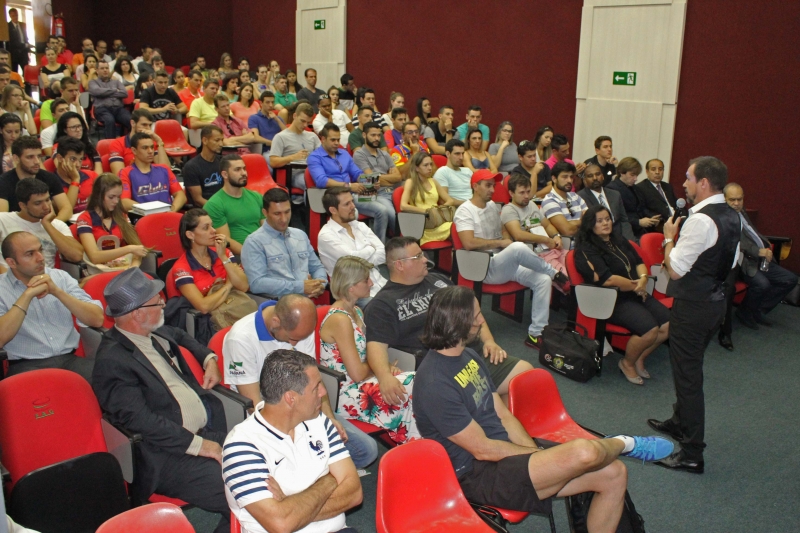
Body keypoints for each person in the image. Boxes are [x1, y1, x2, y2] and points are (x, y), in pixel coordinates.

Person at [413, 285, 673, 528]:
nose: (482, 321)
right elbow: (483, 450)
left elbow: (502, 414)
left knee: (614, 473)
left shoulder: (468, 355)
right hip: (477, 474)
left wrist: (533, 450)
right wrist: (535, 457)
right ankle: (625, 443)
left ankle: (617, 448)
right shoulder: (435, 383)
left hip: (506, 453)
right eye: (476, 316)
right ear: (458, 323)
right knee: (585, 452)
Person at [93, 268, 230, 533]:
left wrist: (208, 358)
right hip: (167, 454)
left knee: (265, 458)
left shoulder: (152, 332)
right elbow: (142, 422)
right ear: (137, 313)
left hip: (203, 434)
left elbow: (180, 335)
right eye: (157, 302)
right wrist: (203, 446)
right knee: (243, 489)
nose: (164, 305)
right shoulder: (112, 361)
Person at [648, 156, 741, 474]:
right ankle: (679, 422)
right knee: (687, 368)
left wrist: (668, 237)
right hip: (715, 303)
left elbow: (674, 270)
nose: (683, 182)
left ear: (703, 183)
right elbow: (731, 262)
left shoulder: (700, 221)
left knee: (688, 378)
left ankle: (691, 453)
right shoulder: (732, 214)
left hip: (694, 307)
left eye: (688, 177)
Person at [363, 237, 532, 403]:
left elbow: (472, 312)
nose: (425, 259)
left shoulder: (438, 280)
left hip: (473, 352)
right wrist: (384, 376)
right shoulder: (383, 304)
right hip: (443, 369)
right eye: (418, 257)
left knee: (525, 376)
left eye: (422, 254)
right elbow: (376, 346)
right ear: (399, 265)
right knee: (501, 392)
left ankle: (494, 418)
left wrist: (489, 341)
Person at [222, 294, 378, 470]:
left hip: (305, 407)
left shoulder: (301, 330)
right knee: (301, 459)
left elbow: (314, 381)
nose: (295, 344)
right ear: (275, 322)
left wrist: (328, 418)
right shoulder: (240, 339)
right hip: (271, 418)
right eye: (292, 338)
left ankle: (315, 472)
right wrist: (297, 431)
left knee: (366, 450)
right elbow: (254, 404)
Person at [222, 349, 363, 533]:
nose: (323, 392)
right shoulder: (242, 446)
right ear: (291, 398)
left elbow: (354, 493)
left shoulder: (320, 421)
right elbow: (282, 524)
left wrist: (291, 505)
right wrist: (329, 481)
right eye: (316, 387)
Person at [454, 170, 569, 348]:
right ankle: (554, 272)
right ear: (475, 186)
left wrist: (505, 241)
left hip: (500, 262)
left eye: (493, 185)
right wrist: (502, 243)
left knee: (542, 280)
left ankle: (536, 333)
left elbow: (502, 231)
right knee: (518, 247)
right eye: (488, 185)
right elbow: (468, 243)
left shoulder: (492, 206)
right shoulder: (465, 210)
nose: (493, 190)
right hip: (482, 265)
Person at [321, 255, 420, 445]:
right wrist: (381, 368)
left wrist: (384, 368)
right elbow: (357, 373)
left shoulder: (357, 312)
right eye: (366, 280)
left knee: (414, 385)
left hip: (364, 382)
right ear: (351, 286)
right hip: (347, 392)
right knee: (413, 383)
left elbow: (367, 355)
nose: (371, 283)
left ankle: (412, 445)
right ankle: (412, 444)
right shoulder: (340, 320)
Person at [575, 205, 670, 383]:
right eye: (599, 221)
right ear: (590, 225)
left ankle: (640, 357)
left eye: (607, 219)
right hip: (611, 298)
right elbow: (607, 279)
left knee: (668, 325)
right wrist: (637, 286)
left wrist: (643, 279)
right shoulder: (586, 248)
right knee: (650, 330)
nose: (605, 223)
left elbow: (639, 262)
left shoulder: (617, 239)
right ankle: (627, 363)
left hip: (636, 291)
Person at [0, 230, 102, 379]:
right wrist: (27, 295)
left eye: (40, 250)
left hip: (70, 360)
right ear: (11, 262)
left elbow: (97, 319)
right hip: (26, 366)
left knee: (111, 381)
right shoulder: (2, 288)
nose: (40, 258)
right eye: (30, 254)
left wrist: (57, 291)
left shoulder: (60, 277)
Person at [724, 183, 797, 330]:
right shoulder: (723, 218)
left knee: (790, 279)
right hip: (743, 261)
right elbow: (736, 243)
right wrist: (758, 251)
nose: (737, 203)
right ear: (724, 199)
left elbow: (752, 232)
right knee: (762, 284)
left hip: (760, 258)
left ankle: (754, 310)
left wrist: (764, 243)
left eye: (739, 199)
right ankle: (747, 312)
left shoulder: (741, 211)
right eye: (732, 200)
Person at [308, 123, 395, 242]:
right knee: (379, 210)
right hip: (334, 197)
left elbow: (356, 173)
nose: (336, 143)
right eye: (333, 140)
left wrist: (370, 181)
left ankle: (379, 246)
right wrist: (349, 186)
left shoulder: (343, 153)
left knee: (385, 208)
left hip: (353, 194)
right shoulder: (315, 157)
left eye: (338, 139)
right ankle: (372, 245)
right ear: (323, 139)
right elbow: (321, 181)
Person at [241, 187, 328, 298]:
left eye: (287, 212)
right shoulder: (254, 242)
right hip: (277, 304)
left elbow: (317, 267)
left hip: (305, 301)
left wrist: (320, 284)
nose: (284, 219)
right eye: (277, 214)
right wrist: (300, 287)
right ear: (265, 213)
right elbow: (256, 283)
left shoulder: (300, 235)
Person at [173, 208, 250, 318]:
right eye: (206, 228)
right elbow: (203, 307)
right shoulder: (181, 268)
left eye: (212, 226)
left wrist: (222, 257)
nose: (213, 230)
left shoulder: (224, 252)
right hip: (210, 320)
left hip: (237, 308)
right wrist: (228, 285)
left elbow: (243, 286)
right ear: (190, 235)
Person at [318, 188, 387, 307]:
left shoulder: (360, 226)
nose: (353, 206)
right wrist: (371, 249)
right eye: (347, 204)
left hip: (380, 283)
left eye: (352, 201)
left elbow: (383, 255)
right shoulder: (326, 236)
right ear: (333, 210)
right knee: (387, 310)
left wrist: (361, 257)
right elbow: (352, 261)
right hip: (354, 295)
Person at [0, 179, 83, 272]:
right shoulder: (2, 220)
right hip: (10, 277)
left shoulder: (57, 225)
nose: (46, 207)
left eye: (47, 200)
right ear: (23, 205)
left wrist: (47, 224)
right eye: (38, 203)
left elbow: (77, 256)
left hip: (47, 277)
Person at [76, 173, 148, 271]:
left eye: (118, 197)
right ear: (98, 196)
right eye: (111, 197)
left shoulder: (121, 216)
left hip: (124, 270)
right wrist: (129, 249)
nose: (116, 201)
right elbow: (94, 257)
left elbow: (137, 248)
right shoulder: (85, 218)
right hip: (98, 272)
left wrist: (134, 267)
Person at [501, 172, 567, 275]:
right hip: (533, 255)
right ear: (511, 193)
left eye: (528, 192)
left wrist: (556, 236)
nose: (527, 196)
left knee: (576, 263)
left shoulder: (531, 204)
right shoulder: (509, 210)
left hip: (550, 250)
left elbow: (547, 225)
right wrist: (546, 240)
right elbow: (518, 235)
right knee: (566, 275)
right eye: (522, 193)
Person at [0, 136, 72, 221]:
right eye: (30, 157)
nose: (37, 161)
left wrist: (52, 225)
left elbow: (66, 208)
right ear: (16, 158)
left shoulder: (49, 177)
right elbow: (2, 218)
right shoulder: (3, 182)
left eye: (39, 156)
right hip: (16, 227)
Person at [204, 154, 265, 255]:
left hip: (262, 250)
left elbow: (267, 229)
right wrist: (251, 255)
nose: (243, 173)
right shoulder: (214, 204)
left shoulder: (257, 197)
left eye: (244, 169)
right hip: (238, 256)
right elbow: (225, 240)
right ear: (225, 175)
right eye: (237, 170)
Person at [119, 132, 186, 212]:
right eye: (145, 148)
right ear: (134, 150)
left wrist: (172, 210)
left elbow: (181, 195)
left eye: (152, 147)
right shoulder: (125, 173)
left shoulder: (164, 169)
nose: (150, 151)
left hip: (167, 215)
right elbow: (124, 201)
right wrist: (149, 212)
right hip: (143, 217)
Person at [400, 151, 456, 245]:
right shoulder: (410, 182)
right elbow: (403, 206)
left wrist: (438, 211)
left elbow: (450, 200)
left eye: (430, 164)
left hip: (437, 219)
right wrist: (427, 212)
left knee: (461, 226)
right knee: (456, 228)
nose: (430, 168)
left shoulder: (433, 181)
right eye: (425, 165)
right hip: (424, 224)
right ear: (417, 168)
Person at [269, 102, 320, 193]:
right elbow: (273, 162)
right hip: (294, 175)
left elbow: (323, 155)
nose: (305, 125)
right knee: (313, 182)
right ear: (295, 116)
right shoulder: (280, 137)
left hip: (313, 171)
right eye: (302, 121)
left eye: (308, 122)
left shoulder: (312, 136)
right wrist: (293, 157)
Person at [578, 163, 634, 242]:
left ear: (603, 176)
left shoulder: (615, 194)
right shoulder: (580, 197)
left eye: (598, 174)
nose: (595, 178)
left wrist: (629, 241)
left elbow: (624, 220)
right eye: (590, 176)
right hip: (597, 240)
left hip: (620, 237)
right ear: (584, 180)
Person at [605, 157, 659, 239]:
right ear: (622, 172)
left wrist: (651, 218)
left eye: (636, 175)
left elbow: (641, 207)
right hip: (624, 233)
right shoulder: (611, 189)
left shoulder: (635, 188)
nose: (635, 179)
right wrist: (638, 222)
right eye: (632, 175)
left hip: (639, 230)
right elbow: (616, 216)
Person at [351, 121, 402, 207]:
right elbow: (371, 179)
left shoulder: (385, 154)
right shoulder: (359, 154)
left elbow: (398, 177)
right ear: (364, 135)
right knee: (390, 212)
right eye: (373, 135)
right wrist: (390, 179)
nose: (377, 138)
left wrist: (379, 176)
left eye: (379, 135)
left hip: (391, 191)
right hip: (373, 193)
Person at [108, 108, 170, 176]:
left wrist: (159, 141)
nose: (148, 128)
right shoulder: (117, 144)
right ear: (133, 123)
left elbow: (166, 171)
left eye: (150, 125)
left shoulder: (152, 143)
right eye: (144, 125)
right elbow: (119, 175)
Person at [541, 161, 588, 245]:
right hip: (568, 247)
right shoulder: (549, 201)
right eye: (565, 177)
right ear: (554, 179)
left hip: (586, 243)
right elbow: (568, 231)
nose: (569, 180)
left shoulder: (576, 197)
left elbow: (592, 222)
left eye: (571, 177)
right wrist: (582, 221)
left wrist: (573, 223)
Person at [89, 60, 132, 139]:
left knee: (131, 120)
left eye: (106, 68)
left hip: (118, 109)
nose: (105, 70)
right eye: (102, 68)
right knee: (110, 120)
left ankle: (130, 141)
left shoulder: (116, 82)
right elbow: (97, 91)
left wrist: (105, 93)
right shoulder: (93, 82)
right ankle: (110, 143)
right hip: (102, 109)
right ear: (97, 70)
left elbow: (124, 93)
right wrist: (115, 90)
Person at [52, 137, 96, 213]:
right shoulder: (50, 182)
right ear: (59, 158)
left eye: (81, 159)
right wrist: (75, 180)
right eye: (73, 159)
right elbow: (67, 210)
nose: (78, 165)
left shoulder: (91, 175)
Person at [247, 91, 286, 162]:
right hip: (266, 151)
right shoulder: (254, 118)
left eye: (272, 102)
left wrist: (277, 119)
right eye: (267, 102)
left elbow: (287, 134)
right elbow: (255, 137)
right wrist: (272, 143)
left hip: (281, 151)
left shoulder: (278, 119)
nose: (271, 105)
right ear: (261, 103)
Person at [433, 138, 472, 204]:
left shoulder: (468, 171)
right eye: (457, 154)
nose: (461, 157)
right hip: (456, 209)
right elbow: (443, 201)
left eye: (462, 153)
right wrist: (469, 204)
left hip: (474, 207)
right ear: (448, 154)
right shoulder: (442, 172)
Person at [5, 8, 31, 73]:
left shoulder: (22, 25)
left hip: (24, 53)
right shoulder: (7, 26)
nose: (15, 17)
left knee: (26, 71)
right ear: (10, 16)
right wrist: (25, 45)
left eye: (16, 15)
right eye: (13, 16)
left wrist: (28, 48)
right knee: (14, 72)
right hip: (14, 54)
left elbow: (25, 38)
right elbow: (12, 42)